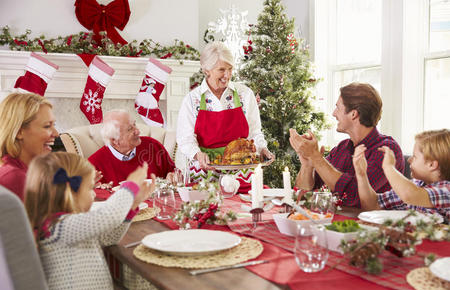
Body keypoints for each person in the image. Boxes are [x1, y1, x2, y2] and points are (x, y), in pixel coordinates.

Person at [25, 152, 155, 290]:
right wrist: (129, 187)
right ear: (70, 192)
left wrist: (133, 204)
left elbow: (109, 238)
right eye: (90, 188)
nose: (93, 195)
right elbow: (108, 216)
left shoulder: (69, 224)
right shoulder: (58, 227)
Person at [176, 41, 274, 192]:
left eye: (230, 69)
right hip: (205, 173)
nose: (227, 75)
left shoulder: (244, 94)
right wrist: (197, 154)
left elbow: (255, 132)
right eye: (221, 69)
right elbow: (185, 138)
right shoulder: (192, 100)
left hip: (242, 173)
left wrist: (262, 149)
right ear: (206, 70)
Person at [289, 82, 404, 207]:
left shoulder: (387, 150)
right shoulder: (341, 148)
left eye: (338, 108)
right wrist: (308, 164)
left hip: (370, 225)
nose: (334, 113)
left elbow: (353, 195)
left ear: (353, 114)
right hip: (333, 223)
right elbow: (303, 196)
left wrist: (315, 156)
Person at [353, 129, 450, 223]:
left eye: (414, 157)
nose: (409, 160)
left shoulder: (447, 191)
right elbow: (373, 205)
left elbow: (410, 195)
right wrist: (361, 174)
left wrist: (389, 167)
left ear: (431, 165)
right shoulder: (417, 184)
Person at [88, 110, 177, 187]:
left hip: (157, 205)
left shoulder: (153, 146)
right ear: (114, 140)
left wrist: (173, 175)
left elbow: (173, 171)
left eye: (135, 124)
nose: (138, 131)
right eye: (130, 129)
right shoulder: (93, 165)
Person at [0, 92, 59, 200]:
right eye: (47, 126)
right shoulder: (14, 178)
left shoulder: (32, 172)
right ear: (19, 132)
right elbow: (53, 216)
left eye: (53, 125)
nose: (56, 133)